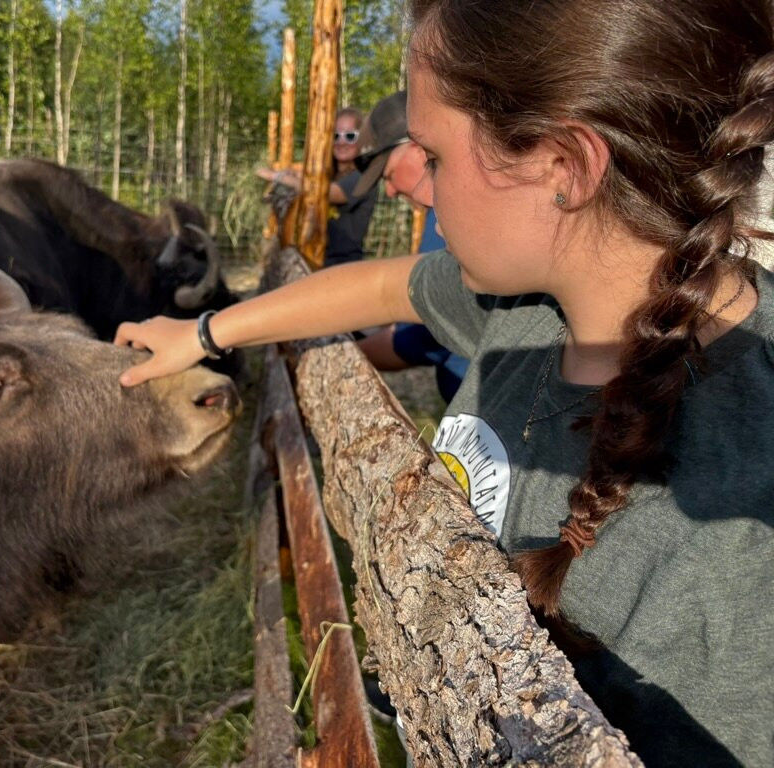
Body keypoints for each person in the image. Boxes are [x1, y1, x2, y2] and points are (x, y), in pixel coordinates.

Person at [116, 1, 774, 764]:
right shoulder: (531, 298)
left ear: (564, 168)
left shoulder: (735, 523)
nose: (419, 189)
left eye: (432, 156)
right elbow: (382, 287)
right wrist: (201, 333)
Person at [349, 91, 470, 403]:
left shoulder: (454, 215)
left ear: (418, 150)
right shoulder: (448, 212)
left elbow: (421, 335)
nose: (389, 191)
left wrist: (347, 357)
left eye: (388, 175)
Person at [256, 106, 379, 266]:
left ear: (362, 139)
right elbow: (308, 178)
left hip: (342, 266)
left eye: (350, 136)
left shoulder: (363, 177)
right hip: (315, 261)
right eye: (335, 136)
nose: (341, 142)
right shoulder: (330, 175)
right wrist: (288, 174)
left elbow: (322, 193)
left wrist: (276, 176)